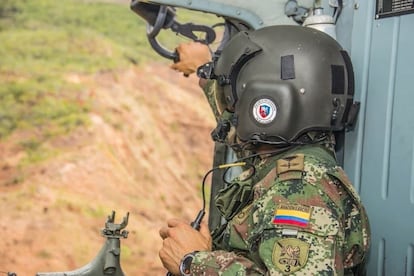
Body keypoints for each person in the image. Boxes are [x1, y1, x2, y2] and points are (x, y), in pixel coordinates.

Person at [159, 25, 370, 275]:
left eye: (235, 99)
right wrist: (203, 70)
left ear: (269, 101)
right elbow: (236, 136)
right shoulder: (286, 164)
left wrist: (192, 262)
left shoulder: (300, 192)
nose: (231, 110)